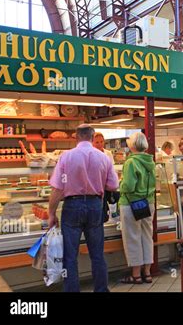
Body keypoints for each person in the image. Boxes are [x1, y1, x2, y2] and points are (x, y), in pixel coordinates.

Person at [48, 124, 119, 292]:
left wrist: (51, 213)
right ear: (92, 137)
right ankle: (101, 290)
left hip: (72, 206)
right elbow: (114, 185)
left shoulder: (66, 157)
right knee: (97, 254)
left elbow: (57, 189)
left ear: (76, 137)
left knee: (70, 256)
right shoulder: (103, 157)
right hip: (95, 206)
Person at [118, 132, 156, 284]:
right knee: (147, 236)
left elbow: (128, 186)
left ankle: (136, 275)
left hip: (131, 204)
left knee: (133, 238)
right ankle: (147, 272)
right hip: (148, 203)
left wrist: (119, 185)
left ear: (132, 145)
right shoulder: (150, 161)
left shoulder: (131, 162)